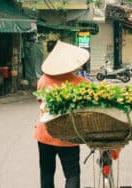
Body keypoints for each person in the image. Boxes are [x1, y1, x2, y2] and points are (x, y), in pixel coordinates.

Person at [35, 41, 90, 188]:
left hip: (45, 133)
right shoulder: (83, 83)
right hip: (69, 134)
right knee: (71, 174)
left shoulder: (43, 80)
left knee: (47, 173)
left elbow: (41, 103)